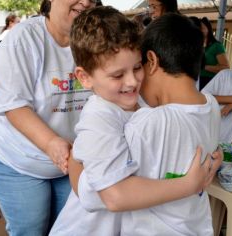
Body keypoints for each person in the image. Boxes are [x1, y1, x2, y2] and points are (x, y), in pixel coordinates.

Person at [50, 8, 221, 235]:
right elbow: (111, 194)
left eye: (137, 67)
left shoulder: (143, 112)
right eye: (118, 75)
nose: (132, 82)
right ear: (84, 77)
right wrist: (188, 185)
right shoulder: (101, 114)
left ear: (149, 61)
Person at [0, 0, 96, 235]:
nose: (85, 2)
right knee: (32, 228)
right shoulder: (23, 38)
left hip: (67, 161)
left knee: (69, 227)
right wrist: (51, 143)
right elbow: (14, 106)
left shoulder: (95, 41)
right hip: (15, 159)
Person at [199, 17, 230, 90]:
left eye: (202, 28)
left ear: (208, 29)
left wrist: (204, 67)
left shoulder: (216, 46)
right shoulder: (196, 45)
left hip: (210, 81)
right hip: (195, 81)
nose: (200, 30)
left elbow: (226, 67)